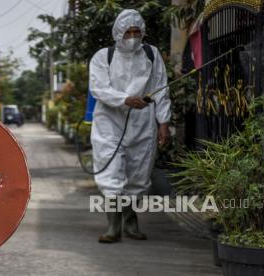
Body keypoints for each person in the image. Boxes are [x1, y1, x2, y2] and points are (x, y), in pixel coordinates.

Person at [89, 9, 171, 243]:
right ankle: (113, 226)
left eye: (137, 31)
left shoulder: (151, 54)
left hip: (143, 122)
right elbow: (99, 88)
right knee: (110, 173)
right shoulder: (103, 57)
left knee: (139, 175)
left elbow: (162, 89)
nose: (133, 36)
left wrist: (163, 122)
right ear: (118, 32)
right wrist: (123, 99)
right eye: (128, 32)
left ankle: (130, 222)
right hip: (109, 123)